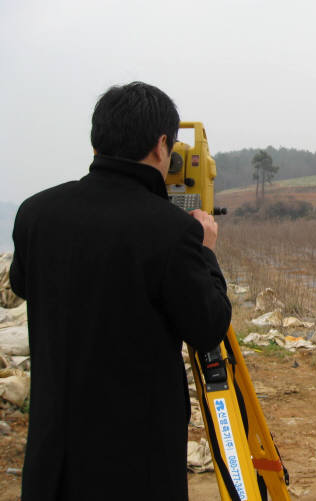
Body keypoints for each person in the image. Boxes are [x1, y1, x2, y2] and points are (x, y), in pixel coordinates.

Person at [10, 82, 231, 501]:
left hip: (52, 459)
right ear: (162, 145)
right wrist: (205, 253)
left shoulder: (35, 212)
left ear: (98, 138)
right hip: (134, 466)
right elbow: (208, 326)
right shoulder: (173, 231)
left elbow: (22, 284)